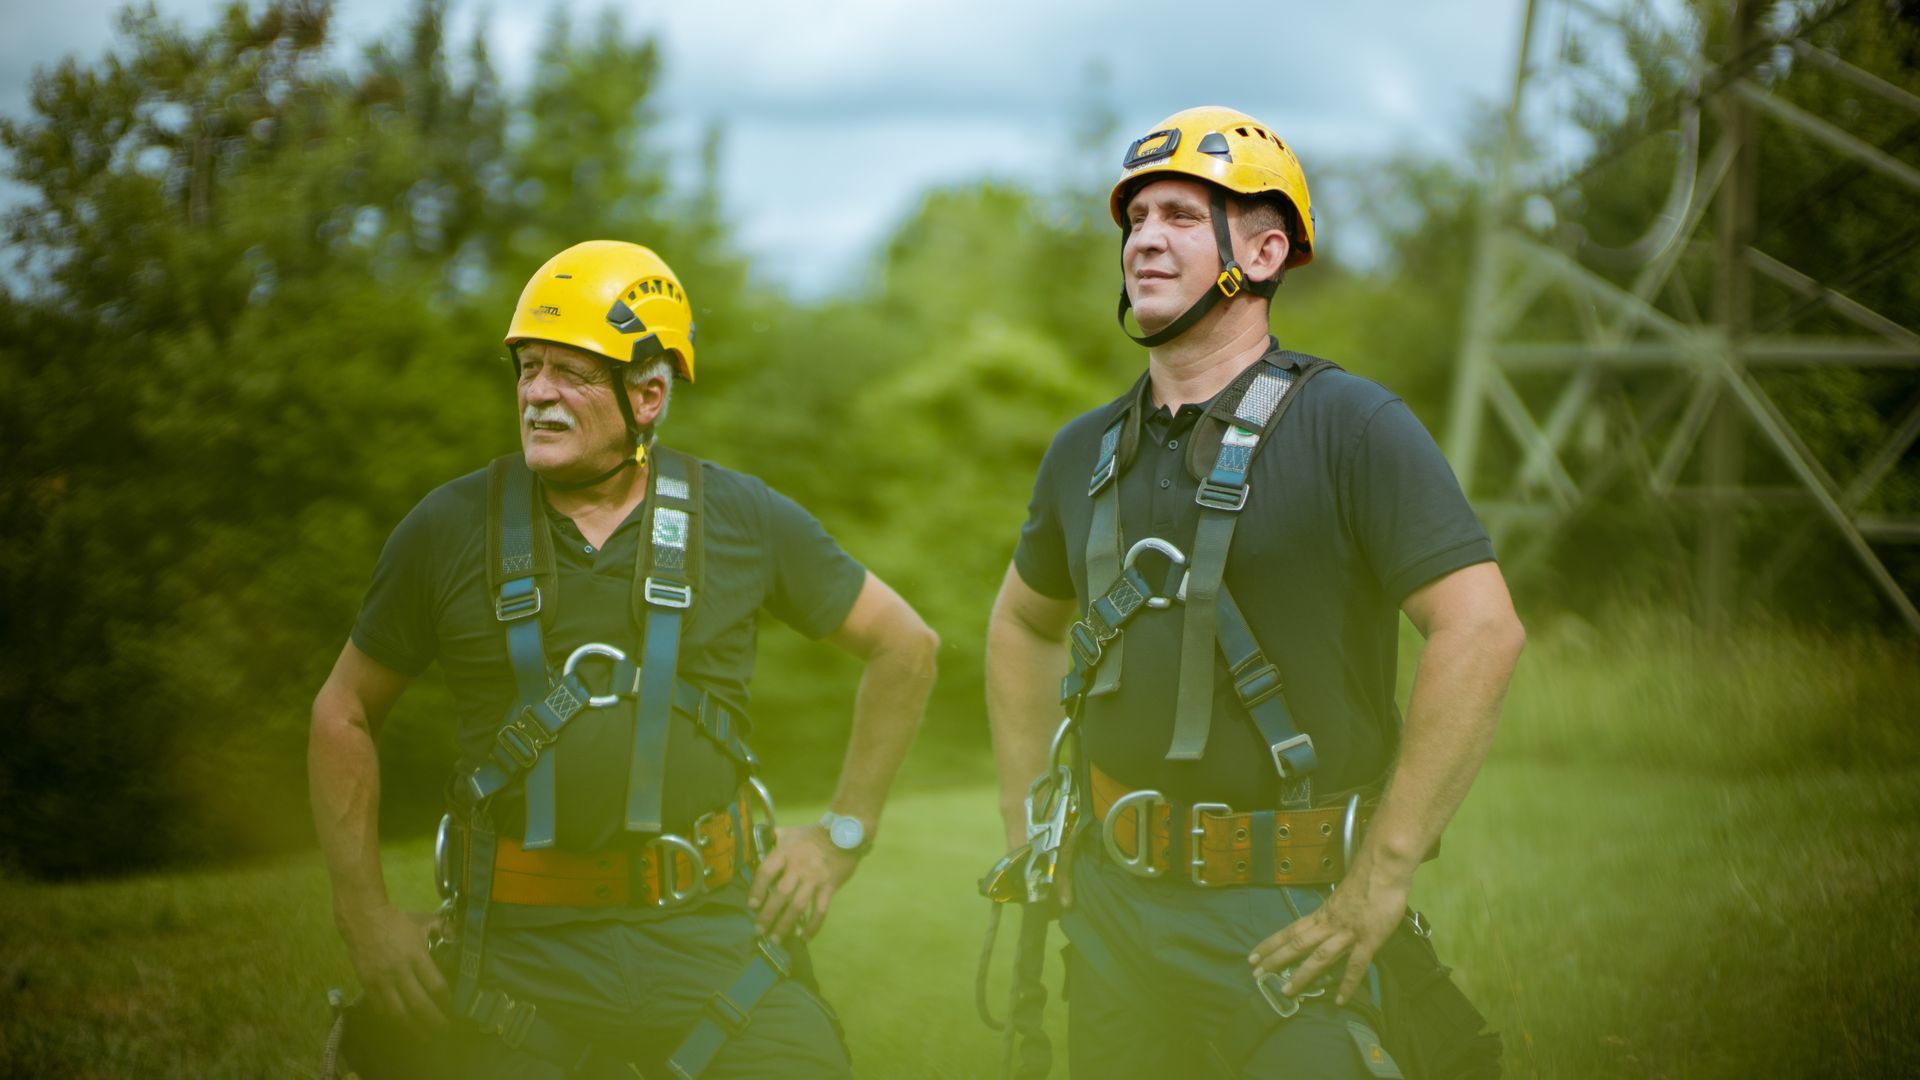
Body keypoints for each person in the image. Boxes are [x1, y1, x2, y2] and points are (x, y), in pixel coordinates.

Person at [310, 240, 938, 1078]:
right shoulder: (446, 528)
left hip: (712, 933)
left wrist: (841, 835)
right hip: (516, 946)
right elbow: (341, 712)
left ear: (647, 395)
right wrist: (365, 917)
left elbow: (906, 646)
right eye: (528, 368)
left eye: (570, 372)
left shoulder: (741, 516)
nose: (536, 394)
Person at [985, 106, 1525, 1077]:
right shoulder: (1082, 453)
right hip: (1114, 916)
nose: (1145, 237)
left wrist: (1385, 873)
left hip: (1291, 908)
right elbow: (1022, 625)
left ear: (1265, 252)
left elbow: (1480, 630)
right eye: (1136, 217)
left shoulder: (1352, 426)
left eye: (1184, 216)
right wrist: (1032, 826)